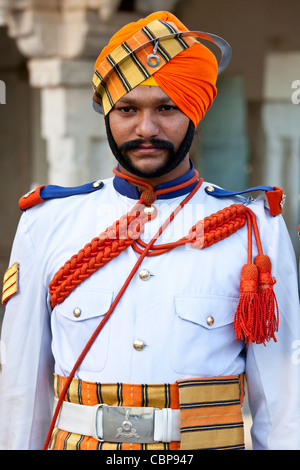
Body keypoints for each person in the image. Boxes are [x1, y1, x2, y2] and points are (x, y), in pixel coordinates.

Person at [0, 10, 299, 451]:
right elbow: (21, 389)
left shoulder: (254, 228)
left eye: (167, 107)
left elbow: (282, 397)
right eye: (127, 108)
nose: (146, 128)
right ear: (108, 112)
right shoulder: (47, 223)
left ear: (195, 111)